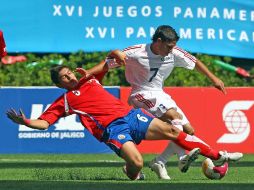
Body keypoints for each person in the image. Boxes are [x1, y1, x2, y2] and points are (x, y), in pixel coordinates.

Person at [6, 65, 242, 181]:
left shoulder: (90, 80)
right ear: (60, 85)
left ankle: (217, 155)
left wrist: (116, 58)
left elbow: (111, 60)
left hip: (131, 116)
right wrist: (25, 121)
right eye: (64, 77)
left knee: (173, 129)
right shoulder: (66, 100)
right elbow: (45, 124)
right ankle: (133, 172)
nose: (70, 77)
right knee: (137, 164)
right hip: (113, 130)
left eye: (70, 73)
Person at [82, 25, 228, 179]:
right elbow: (108, 63)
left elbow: (196, 62)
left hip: (160, 93)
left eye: (174, 46)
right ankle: (182, 158)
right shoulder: (136, 52)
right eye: (169, 46)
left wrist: (214, 79)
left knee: (189, 131)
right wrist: (87, 73)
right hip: (140, 93)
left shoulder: (175, 52)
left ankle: (160, 161)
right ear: (159, 41)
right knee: (173, 116)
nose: (172, 50)